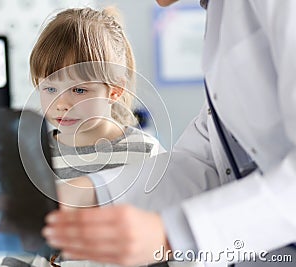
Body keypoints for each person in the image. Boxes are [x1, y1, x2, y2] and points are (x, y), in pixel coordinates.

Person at [41, 0, 296, 266]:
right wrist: (81, 194)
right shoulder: (222, 11)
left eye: (79, 90)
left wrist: (174, 233)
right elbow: (206, 159)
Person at [1, 6, 165, 267]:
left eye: (78, 90)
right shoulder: (33, 160)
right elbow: (20, 249)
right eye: (50, 87)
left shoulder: (144, 153)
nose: (61, 103)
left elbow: (162, 242)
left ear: (113, 91)